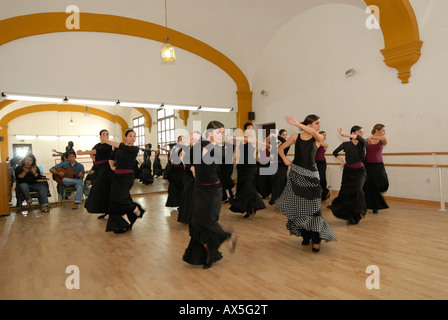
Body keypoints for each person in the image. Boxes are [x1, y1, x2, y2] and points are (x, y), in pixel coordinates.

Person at [276, 115, 337, 252]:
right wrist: (285, 159)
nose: (319, 126)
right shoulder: (295, 137)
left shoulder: (318, 138)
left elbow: (315, 133)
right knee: (300, 208)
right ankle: (306, 235)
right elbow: (280, 149)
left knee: (315, 209)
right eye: (317, 123)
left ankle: (316, 240)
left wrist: (297, 123)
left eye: (320, 123)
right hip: (296, 176)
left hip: (312, 178)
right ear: (309, 124)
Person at [183, 121, 238, 269]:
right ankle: (209, 254)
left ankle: (223, 239)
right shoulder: (197, 147)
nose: (221, 135)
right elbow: (184, 156)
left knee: (208, 222)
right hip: (199, 189)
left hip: (213, 191)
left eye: (222, 132)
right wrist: (192, 167)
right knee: (196, 224)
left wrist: (200, 138)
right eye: (218, 132)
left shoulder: (219, 149)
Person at [104, 129, 145, 234]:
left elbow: (122, 146)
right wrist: (112, 166)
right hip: (117, 176)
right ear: (125, 137)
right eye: (130, 136)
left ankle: (135, 209)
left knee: (120, 199)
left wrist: (107, 141)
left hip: (127, 177)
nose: (133, 138)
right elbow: (111, 157)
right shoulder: (119, 148)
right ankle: (125, 221)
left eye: (134, 136)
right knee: (114, 200)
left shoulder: (134, 149)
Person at [328, 126, 368, 225]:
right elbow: (335, 152)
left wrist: (344, 134)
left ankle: (357, 214)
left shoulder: (363, 143)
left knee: (357, 191)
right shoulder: (345, 144)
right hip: (348, 172)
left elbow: (360, 138)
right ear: (353, 133)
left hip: (360, 172)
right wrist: (341, 160)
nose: (362, 134)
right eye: (360, 132)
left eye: (363, 132)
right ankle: (349, 216)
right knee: (346, 193)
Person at [229, 122, 266, 218]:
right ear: (245, 130)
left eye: (252, 129)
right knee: (243, 187)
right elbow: (235, 153)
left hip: (251, 168)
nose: (251, 131)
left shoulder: (253, 140)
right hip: (241, 168)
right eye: (249, 129)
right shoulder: (240, 142)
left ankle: (250, 208)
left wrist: (232, 137)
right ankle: (251, 207)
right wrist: (234, 161)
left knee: (248, 187)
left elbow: (245, 139)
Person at [77, 129, 113, 218]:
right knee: (99, 189)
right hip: (98, 168)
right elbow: (92, 153)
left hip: (106, 169)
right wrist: (95, 161)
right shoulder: (98, 145)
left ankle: (110, 210)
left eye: (107, 134)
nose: (105, 135)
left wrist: (83, 153)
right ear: (100, 136)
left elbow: (95, 152)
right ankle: (105, 209)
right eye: (103, 134)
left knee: (103, 189)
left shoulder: (108, 145)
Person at [364, 124, 389, 213]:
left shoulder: (382, 139)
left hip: (379, 165)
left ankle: (374, 204)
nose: (384, 132)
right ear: (377, 130)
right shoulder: (367, 140)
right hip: (368, 165)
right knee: (369, 186)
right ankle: (372, 206)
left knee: (383, 183)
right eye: (383, 130)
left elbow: (384, 139)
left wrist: (373, 137)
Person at [269, 129, 289, 205]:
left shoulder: (286, 143)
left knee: (280, 179)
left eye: (286, 134)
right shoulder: (276, 144)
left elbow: (283, 141)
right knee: (275, 181)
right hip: (275, 165)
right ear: (280, 135)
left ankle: (280, 199)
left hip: (283, 165)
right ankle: (276, 198)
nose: (285, 136)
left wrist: (275, 135)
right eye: (283, 134)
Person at [165, 136, 186, 208]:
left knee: (182, 188)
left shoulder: (185, 149)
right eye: (180, 140)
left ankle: (182, 204)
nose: (182, 141)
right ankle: (177, 203)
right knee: (174, 188)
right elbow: (171, 161)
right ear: (178, 140)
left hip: (182, 171)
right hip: (174, 171)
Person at [219, 134, 235, 202]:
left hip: (228, 165)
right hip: (222, 165)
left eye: (229, 138)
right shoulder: (222, 147)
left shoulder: (232, 146)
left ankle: (234, 193)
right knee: (223, 181)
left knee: (228, 179)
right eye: (227, 138)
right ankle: (227, 196)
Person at [315, 131, 330, 201]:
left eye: (325, 135)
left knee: (322, 178)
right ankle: (317, 194)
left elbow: (321, 144)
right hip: (314, 163)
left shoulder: (325, 144)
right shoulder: (315, 143)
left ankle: (325, 192)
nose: (324, 136)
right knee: (315, 179)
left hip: (322, 163)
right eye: (322, 135)